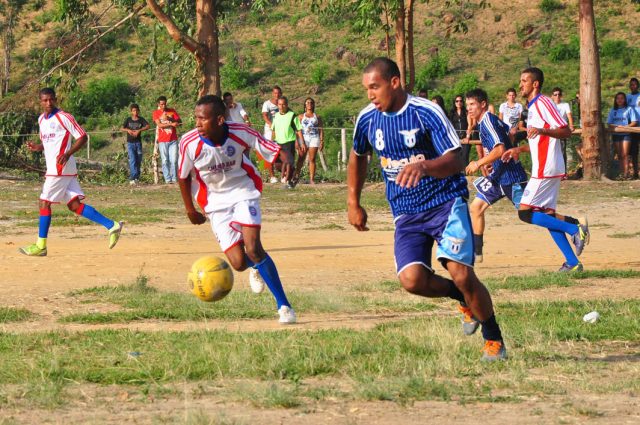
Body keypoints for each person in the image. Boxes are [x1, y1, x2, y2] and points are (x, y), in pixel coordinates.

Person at [348, 57, 507, 361]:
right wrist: (353, 201)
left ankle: (493, 337)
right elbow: (358, 156)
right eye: (366, 89)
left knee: (460, 272)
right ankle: (462, 298)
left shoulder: (425, 112)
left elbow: (458, 159)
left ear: (394, 82)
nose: (370, 94)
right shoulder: (368, 118)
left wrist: (424, 166)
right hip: (405, 212)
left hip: (445, 202)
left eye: (375, 87)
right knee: (412, 280)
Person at [177, 95, 296, 324]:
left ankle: (284, 306)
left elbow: (272, 148)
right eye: (196, 118)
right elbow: (182, 177)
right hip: (214, 202)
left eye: (203, 119)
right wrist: (189, 209)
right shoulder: (189, 143)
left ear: (220, 119)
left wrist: (287, 156)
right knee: (239, 263)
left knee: (253, 248)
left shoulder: (240, 132)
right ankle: (257, 268)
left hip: (243, 191)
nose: (197, 123)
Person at [501, 67, 590, 272]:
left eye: (524, 80)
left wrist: (542, 130)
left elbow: (566, 131)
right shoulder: (532, 107)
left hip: (545, 169)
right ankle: (573, 263)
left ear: (535, 84)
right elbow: (539, 141)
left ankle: (574, 228)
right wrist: (519, 149)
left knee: (524, 213)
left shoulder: (543, 102)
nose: (520, 84)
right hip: (545, 166)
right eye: (520, 80)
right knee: (547, 214)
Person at [19, 87, 123, 257]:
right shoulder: (41, 120)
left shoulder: (64, 117)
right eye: (45, 100)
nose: (48, 103)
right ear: (40, 101)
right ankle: (112, 225)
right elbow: (49, 143)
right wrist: (37, 147)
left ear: (55, 99)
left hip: (60, 168)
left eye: (51, 99)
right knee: (74, 206)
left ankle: (41, 246)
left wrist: (67, 153)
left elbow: (82, 136)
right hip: (59, 168)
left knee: (44, 203)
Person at [464, 89, 528, 263]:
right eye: (467, 105)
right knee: (476, 208)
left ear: (483, 104)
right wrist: (494, 159)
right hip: (497, 176)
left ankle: (572, 225)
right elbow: (509, 134)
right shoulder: (490, 121)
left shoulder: (487, 122)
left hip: (511, 177)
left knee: (530, 214)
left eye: (472, 104)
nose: (468, 108)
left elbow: (499, 149)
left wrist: (479, 163)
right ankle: (476, 252)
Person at [271, 96, 306, 188]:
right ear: (277, 105)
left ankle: (288, 182)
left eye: (283, 104)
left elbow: (298, 130)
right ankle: (294, 174)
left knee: (288, 162)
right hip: (278, 143)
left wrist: (302, 143)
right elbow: (273, 130)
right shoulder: (276, 116)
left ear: (287, 105)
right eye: (279, 104)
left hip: (288, 142)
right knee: (278, 165)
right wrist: (271, 142)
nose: (281, 106)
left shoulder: (292, 115)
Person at [606, 92, 638, 179]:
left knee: (625, 154)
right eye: (618, 98)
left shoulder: (629, 109)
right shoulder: (613, 110)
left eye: (622, 98)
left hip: (626, 135)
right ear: (615, 100)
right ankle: (621, 173)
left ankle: (626, 174)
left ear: (625, 100)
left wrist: (626, 127)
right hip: (616, 135)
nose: (620, 100)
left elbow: (634, 122)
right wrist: (617, 126)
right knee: (619, 155)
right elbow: (609, 123)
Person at [152, 96, 182, 184]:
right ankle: (167, 179)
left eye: (165, 104)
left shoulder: (172, 111)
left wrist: (171, 119)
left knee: (174, 160)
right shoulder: (156, 113)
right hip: (162, 140)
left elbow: (179, 121)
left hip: (173, 139)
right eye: (161, 104)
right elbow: (159, 125)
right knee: (165, 160)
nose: (163, 106)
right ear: (158, 104)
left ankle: (174, 178)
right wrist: (172, 124)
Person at [121, 103, 150, 185]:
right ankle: (132, 178)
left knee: (138, 160)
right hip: (130, 143)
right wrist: (128, 130)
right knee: (132, 160)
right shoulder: (128, 120)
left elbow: (148, 126)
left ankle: (137, 178)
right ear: (131, 112)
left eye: (137, 110)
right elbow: (121, 128)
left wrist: (139, 130)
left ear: (139, 111)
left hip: (138, 143)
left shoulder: (141, 119)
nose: (135, 112)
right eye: (133, 110)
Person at [297, 98, 324, 185]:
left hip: (314, 138)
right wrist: (300, 141)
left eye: (311, 102)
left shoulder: (318, 117)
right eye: (307, 102)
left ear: (313, 104)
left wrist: (321, 140)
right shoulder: (301, 116)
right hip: (304, 138)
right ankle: (296, 176)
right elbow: (298, 130)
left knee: (312, 159)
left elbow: (321, 129)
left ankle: (311, 179)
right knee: (301, 157)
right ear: (305, 104)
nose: (309, 104)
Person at [261, 86, 282, 183]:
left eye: (278, 93)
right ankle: (272, 176)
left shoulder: (282, 103)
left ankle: (283, 174)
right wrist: (271, 125)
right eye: (275, 93)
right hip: (270, 131)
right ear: (272, 93)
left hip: (281, 131)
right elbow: (265, 116)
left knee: (280, 152)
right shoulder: (267, 103)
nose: (277, 95)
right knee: (270, 152)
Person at [550, 87, 575, 170]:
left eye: (559, 94)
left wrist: (571, 125)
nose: (557, 96)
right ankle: (553, 171)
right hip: (552, 131)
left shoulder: (565, 105)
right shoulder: (550, 105)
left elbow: (569, 115)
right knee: (552, 152)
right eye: (555, 94)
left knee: (562, 151)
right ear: (552, 96)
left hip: (561, 130)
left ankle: (563, 172)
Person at [449, 94, 470, 162]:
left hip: (466, 136)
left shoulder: (466, 112)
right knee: (456, 158)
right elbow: (450, 126)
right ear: (454, 102)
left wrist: (467, 137)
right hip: (455, 137)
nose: (459, 102)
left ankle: (466, 172)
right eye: (457, 101)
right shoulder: (451, 113)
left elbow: (470, 124)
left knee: (465, 157)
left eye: (460, 101)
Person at [627, 78, 640, 179]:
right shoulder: (627, 97)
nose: (633, 86)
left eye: (635, 84)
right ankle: (635, 173)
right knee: (634, 151)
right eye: (631, 84)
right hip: (632, 127)